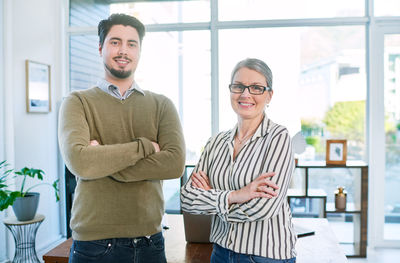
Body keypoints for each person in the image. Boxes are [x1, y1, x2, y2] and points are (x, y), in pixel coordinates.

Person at [58, 13, 185, 263]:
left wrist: (102, 160)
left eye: (131, 44)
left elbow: (175, 164)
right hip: (93, 246)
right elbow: (80, 162)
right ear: (100, 47)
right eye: (115, 42)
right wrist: (146, 146)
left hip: (150, 243)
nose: (123, 50)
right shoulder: (77, 102)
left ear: (139, 51)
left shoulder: (161, 105)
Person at [181, 58, 296, 263]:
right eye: (239, 86)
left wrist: (212, 200)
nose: (245, 94)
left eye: (256, 88)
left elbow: (264, 207)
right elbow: (188, 199)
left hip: (265, 256)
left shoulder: (278, 137)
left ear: (269, 95)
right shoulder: (215, 142)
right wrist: (236, 195)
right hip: (220, 252)